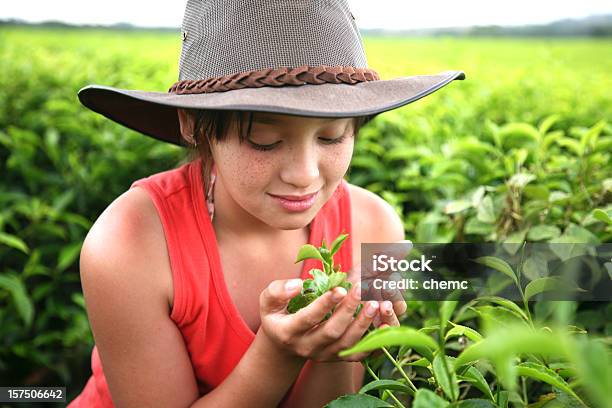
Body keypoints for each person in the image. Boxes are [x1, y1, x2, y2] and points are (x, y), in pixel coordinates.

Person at [69, 0, 464, 406]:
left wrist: (341, 344)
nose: (304, 174)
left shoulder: (373, 226)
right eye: (264, 141)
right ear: (193, 125)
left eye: (331, 136)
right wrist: (277, 355)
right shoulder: (129, 241)